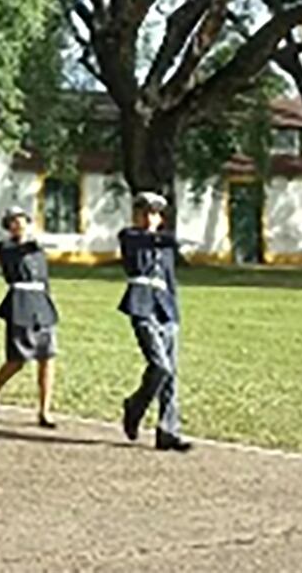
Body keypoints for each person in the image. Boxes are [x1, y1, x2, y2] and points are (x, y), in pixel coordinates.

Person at [119, 190, 191, 452]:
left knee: (171, 374)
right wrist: (170, 240)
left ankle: (168, 431)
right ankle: (134, 407)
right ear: (136, 215)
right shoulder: (130, 237)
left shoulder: (164, 245)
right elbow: (147, 243)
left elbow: (170, 281)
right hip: (142, 306)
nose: (151, 218)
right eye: (146, 213)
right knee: (159, 366)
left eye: (156, 214)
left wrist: (175, 313)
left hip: (165, 309)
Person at [0, 206, 60, 428]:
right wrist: (38, 243)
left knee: (48, 357)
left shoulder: (37, 250)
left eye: (21, 220)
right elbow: (18, 252)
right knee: (17, 360)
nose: (18, 224)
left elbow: (44, 277)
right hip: (20, 303)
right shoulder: (5, 247)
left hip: (41, 302)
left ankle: (44, 410)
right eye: (13, 221)